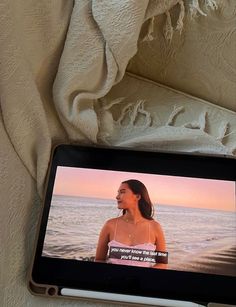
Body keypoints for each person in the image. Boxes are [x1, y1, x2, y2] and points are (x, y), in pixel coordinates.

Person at [95, 179, 167, 268]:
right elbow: (99, 260)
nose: (117, 196)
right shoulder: (110, 225)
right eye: (118, 193)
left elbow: (162, 264)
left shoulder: (155, 227)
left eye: (122, 192)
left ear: (137, 196)